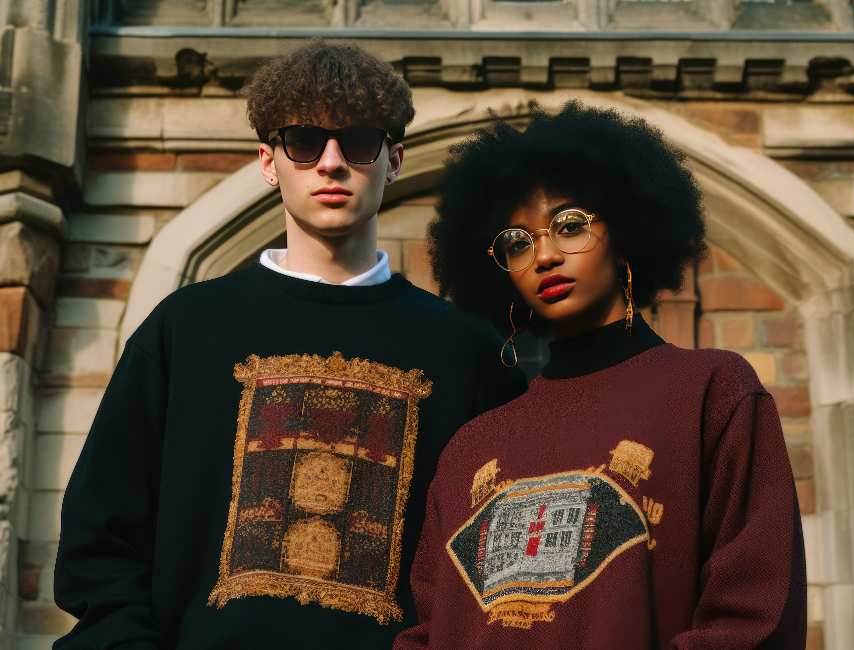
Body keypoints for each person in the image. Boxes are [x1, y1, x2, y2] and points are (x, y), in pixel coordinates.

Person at [53, 41, 524, 649]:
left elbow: (498, 566)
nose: (330, 163)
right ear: (269, 162)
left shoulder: (465, 352)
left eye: (357, 142)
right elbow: (101, 538)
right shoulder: (186, 328)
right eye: (304, 142)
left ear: (395, 159)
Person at [395, 101, 806, 649]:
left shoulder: (711, 391)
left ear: (627, 228)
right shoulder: (471, 447)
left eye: (569, 225)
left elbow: (757, 614)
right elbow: (429, 631)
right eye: (517, 241)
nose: (543, 255)